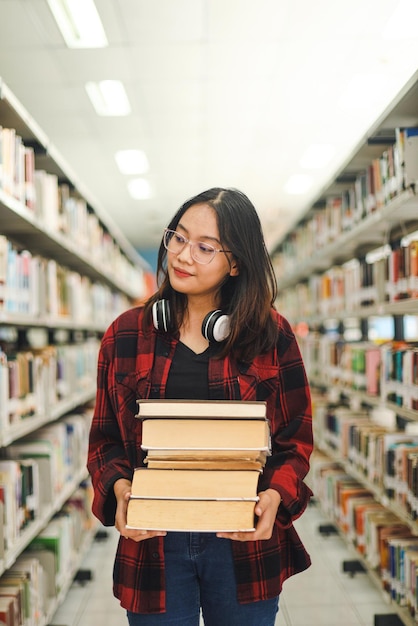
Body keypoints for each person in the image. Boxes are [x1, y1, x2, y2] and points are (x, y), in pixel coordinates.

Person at [87, 187, 313, 626]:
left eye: (204, 247)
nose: (183, 255)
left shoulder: (272, 334)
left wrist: (275, 496)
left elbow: (295, 440)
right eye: (178, 237)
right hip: (155, 544)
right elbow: (105, 440)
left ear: (236, 262)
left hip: (241, 539)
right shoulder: (126, 335)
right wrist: (118, 490)